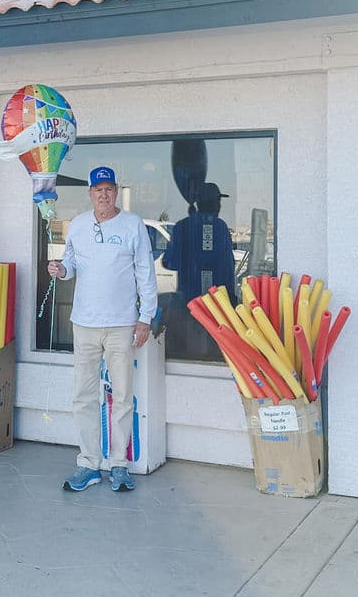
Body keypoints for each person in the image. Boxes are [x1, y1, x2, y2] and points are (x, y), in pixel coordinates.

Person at [47, 166, 158, 494]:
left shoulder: (132, 225)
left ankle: (119, 465)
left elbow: (145, 274)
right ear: (90, 193)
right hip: (84, 324)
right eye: (98, 189)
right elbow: (70, 265)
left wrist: (145, 317)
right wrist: (60, 269)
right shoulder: (79, 225)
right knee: (83, 395)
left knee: (122, 396)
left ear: (116, 191)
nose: (104, 194)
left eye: (109, 189)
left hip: (122, 324)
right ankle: (89, 463)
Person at [162, 182, 236, 356]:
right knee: (213, 350)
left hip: (188, 301)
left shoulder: (182, 227)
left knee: (190, 350)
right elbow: (228, 267)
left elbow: (169, 262)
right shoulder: (220, 227)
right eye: (217, 201)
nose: (219, 205)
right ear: (210, 202)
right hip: (216, 303)